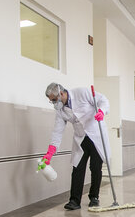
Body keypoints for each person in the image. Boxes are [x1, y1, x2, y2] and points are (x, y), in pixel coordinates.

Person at [42, 82, 110, 210]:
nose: (54, 103)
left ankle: (94, 197)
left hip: (96, 136)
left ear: (61, 93)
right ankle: (74, 200)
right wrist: (50, 151)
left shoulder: (81, 93)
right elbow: (57, 131)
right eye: (52, 101)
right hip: (81, 138)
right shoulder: (60, 110)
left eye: (54, 100)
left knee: (95, 168)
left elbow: (103, 100)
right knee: (77, 168)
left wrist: (101, 111)